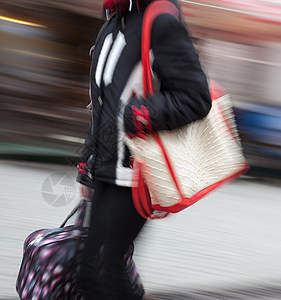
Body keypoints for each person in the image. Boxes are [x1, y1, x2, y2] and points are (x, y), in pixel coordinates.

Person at [77, 0, 211, 299]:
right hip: (106, 170)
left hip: (138, 173)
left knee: (104, 267)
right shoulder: (111, 23)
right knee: (94, 271)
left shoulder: (161, 21)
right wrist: (87, 167)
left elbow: (195, 97)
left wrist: (133, 115)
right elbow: (100, 106)